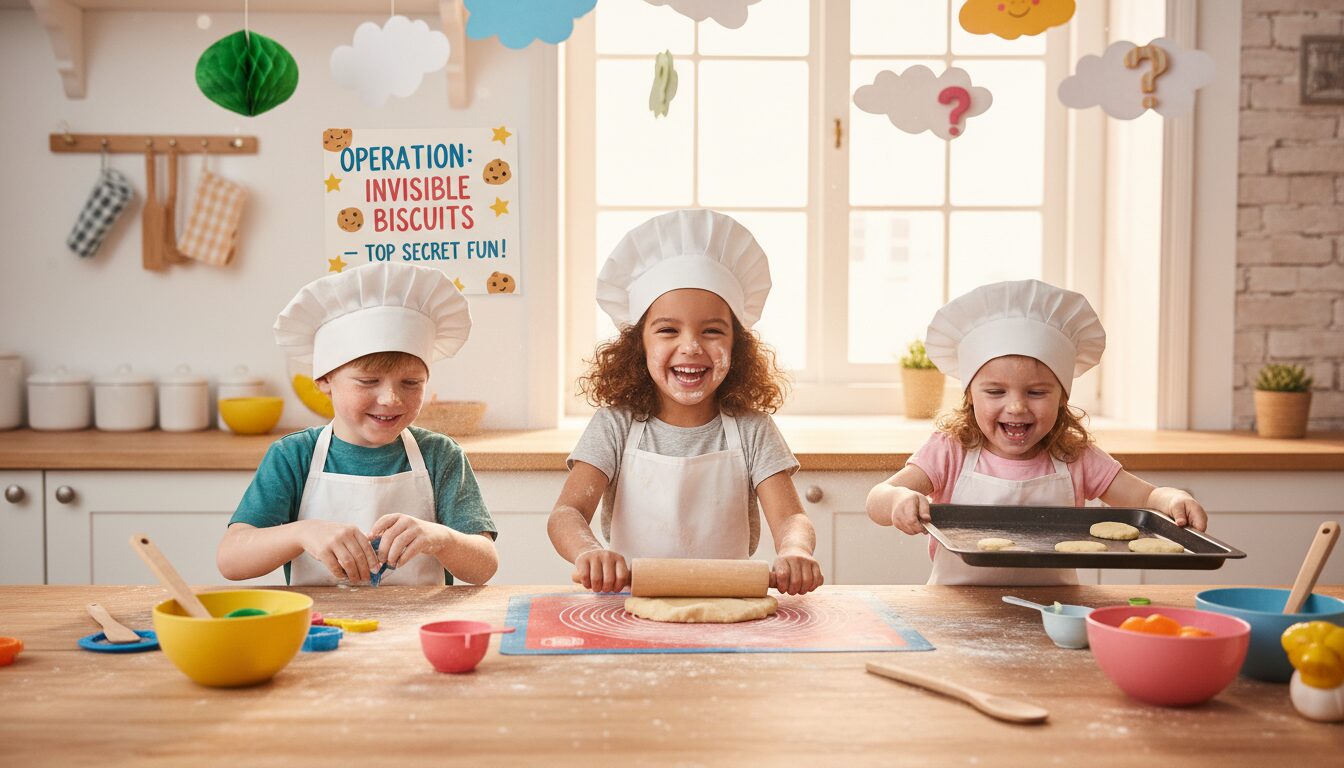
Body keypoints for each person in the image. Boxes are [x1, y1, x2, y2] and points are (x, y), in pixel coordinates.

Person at [547, 209, 823, 595]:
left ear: (736, 346)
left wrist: (795, 550)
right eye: (668, 330)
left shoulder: (752, 429)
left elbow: (791, 517)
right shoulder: (616, 425)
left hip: (730, 604)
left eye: (712, 331)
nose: (691, 346)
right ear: (637, 343)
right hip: (630, 603)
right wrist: (588, 552)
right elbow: (567, 514)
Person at [865, 279, 1208, 586]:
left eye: (1037, 392)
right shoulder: (952, 450)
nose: (1016, 407)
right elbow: (877, 499)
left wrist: (1171, 498)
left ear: (1062, 398)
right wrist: (898, 499)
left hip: (1054, 609)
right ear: (969, 396)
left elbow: (1144, 499)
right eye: (996, 392)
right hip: (956, 605)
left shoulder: (1074, 456)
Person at [217, 261, 498, 586]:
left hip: (415, 630)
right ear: (324, 380)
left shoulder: (440, 455)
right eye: (368, 381)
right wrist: (302, 532)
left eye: (411, 383)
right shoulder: (293, 456)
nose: (391, 399)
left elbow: (485, 566)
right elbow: (231, 559)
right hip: (322, 631)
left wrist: (439, 537)